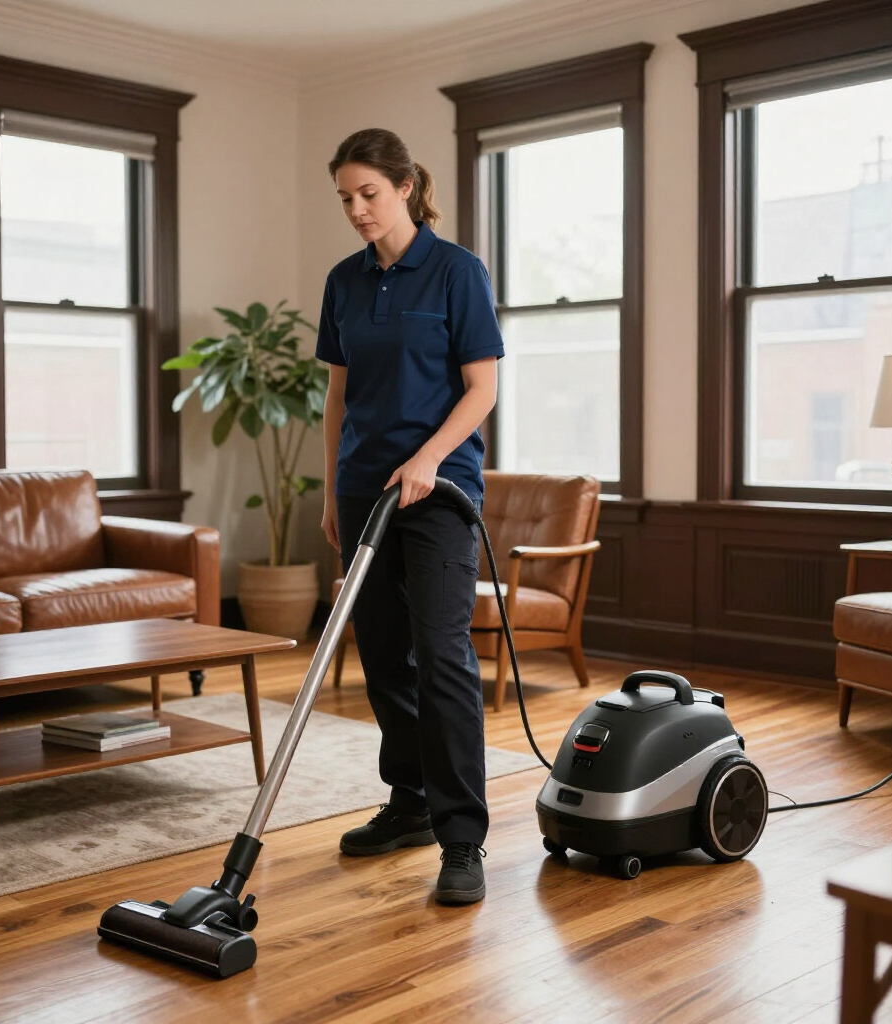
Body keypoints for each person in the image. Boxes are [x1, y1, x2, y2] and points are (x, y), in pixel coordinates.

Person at [316, 128, 504, 905]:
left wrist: (428, 458)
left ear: (404, 187)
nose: (357, 210)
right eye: (346, 199)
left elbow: (481, 388)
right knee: (386, 656)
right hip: (364, 489)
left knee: (443, 653)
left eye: (369, 193)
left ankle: (462, 838)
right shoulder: (344, 281)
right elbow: (338, 395)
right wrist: (331, 490)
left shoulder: (458, 272)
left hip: (439, 494)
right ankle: (411, 803)